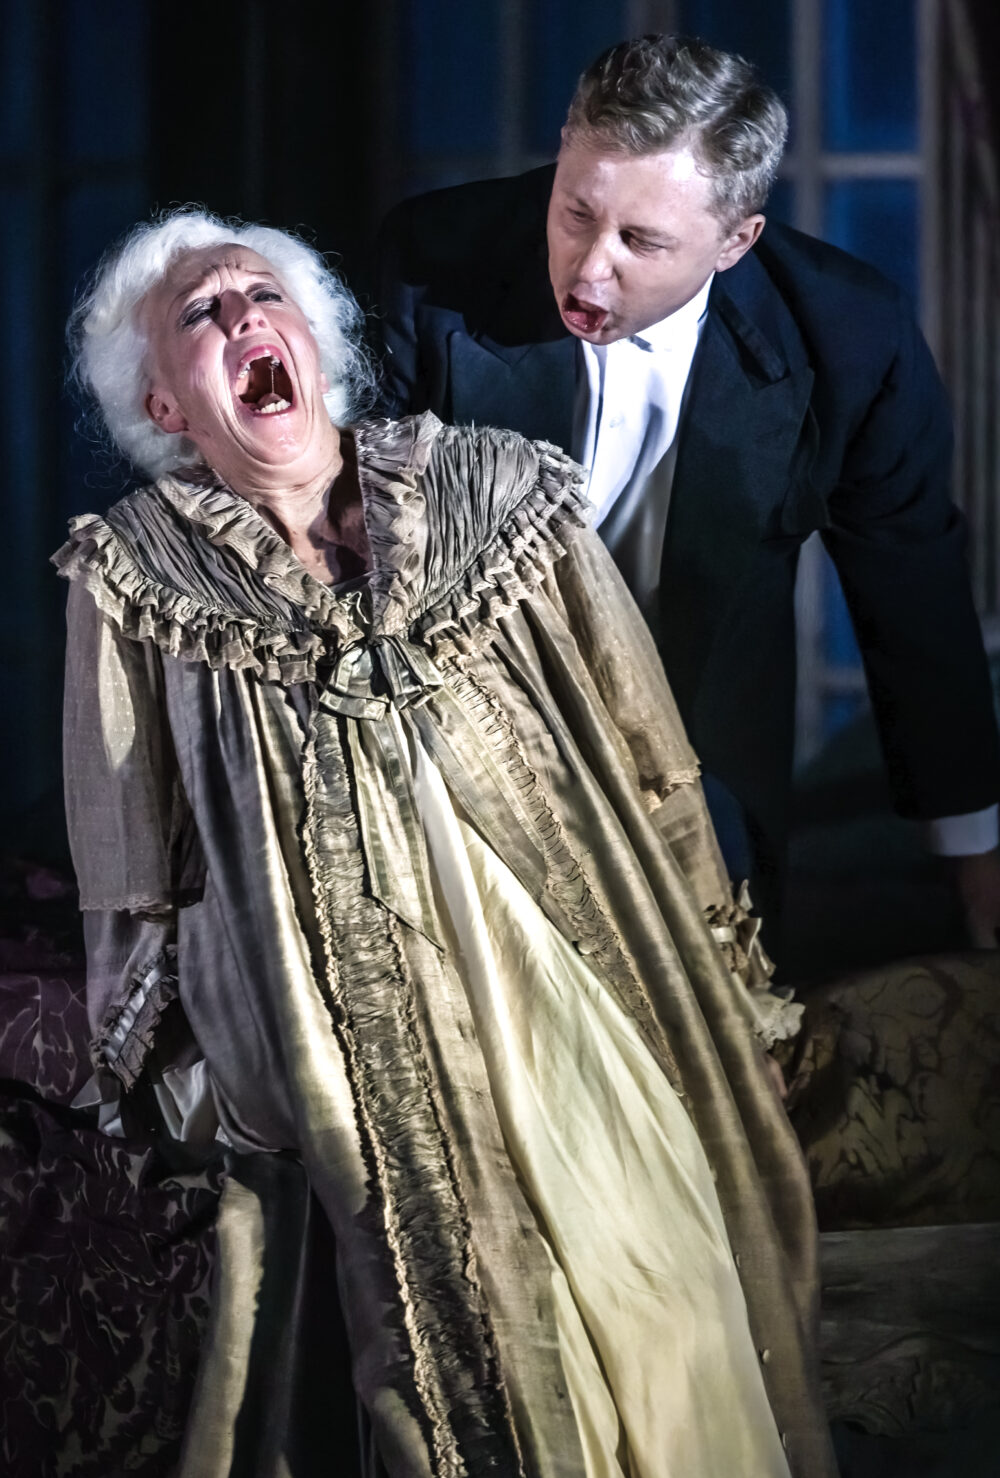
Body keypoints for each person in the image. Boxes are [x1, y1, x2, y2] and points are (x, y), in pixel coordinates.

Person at [55, 208, 841, 1478]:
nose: (246, 315)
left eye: (264, 294)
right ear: (163, 404)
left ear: (315, 341)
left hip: (569, 1004)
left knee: (670, 1310)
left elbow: (651, 757)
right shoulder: (138, 579)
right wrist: (199, 1079)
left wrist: (716, 960)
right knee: (458, 1389)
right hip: (348, 1069)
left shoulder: (496, 491)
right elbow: (132, 878)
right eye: (202, 314)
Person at [377, 33, 1000, 946]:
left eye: (641, 241)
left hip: (702, 763)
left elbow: (911, 594)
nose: (590, 267)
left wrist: (976, 860)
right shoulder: (430, 265)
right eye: (576, 212)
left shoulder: (849, 336)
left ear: (735, 241)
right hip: (452, 751)